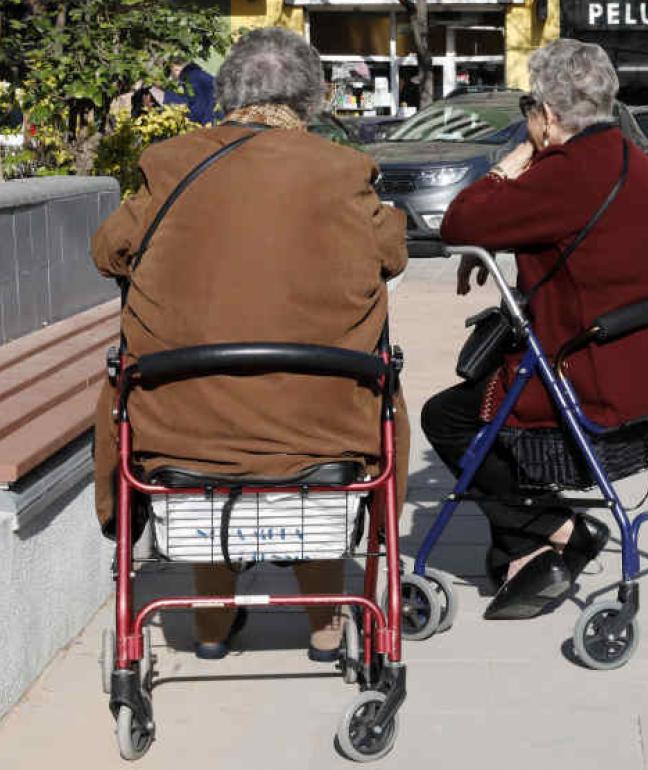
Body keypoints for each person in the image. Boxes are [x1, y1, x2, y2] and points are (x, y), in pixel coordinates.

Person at [91, 27, 410, 661]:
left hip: (181, 425)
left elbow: (107, 252)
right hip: (324, 424)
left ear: (228, 92)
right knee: (338, 420)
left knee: (201, 426)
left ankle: (211, 625)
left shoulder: (170, 162)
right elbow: (393, 254)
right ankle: (325, 626)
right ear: (310, 99)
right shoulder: (344, 170)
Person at [427, 39, 648, 620]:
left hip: (583, 379)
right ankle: (520, 554)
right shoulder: (631, 157)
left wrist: (515, 156)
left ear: (546, 113)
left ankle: (557, 530)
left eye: (530, 108)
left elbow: (459, 220)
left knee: (444, 417)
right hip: (644, 371)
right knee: (474, 406)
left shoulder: (566, 172)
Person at [163, 60, 218, 125]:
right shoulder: (198, 74)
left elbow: (196, 110)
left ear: (175, 68)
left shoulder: (190, 79)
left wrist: (169, 97)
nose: (171, 78)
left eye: (169, 73)